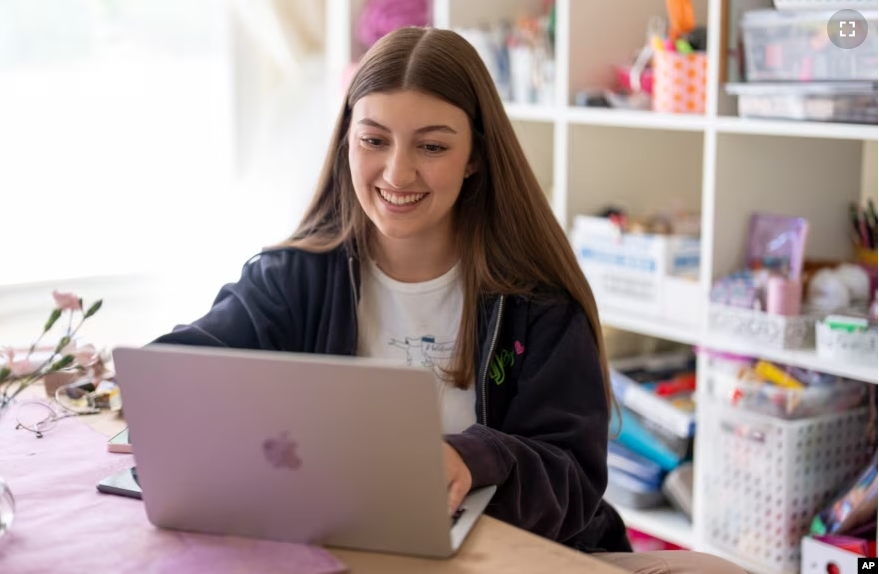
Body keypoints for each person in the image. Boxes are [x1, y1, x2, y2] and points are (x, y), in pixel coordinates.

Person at [153, 26, 744, 574]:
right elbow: (175, 369)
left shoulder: (538, 302)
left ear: (476, 157)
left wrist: (472, 459)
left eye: (432, 147)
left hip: (515, 558)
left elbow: (573, 481)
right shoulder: (292, 278)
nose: (397, 171)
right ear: (346, 145)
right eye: (373, 141)